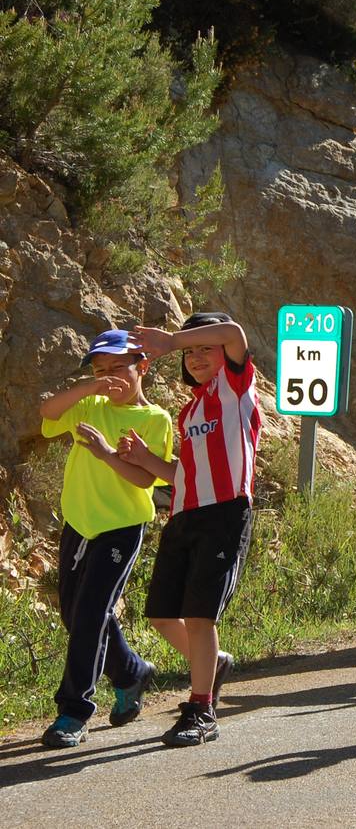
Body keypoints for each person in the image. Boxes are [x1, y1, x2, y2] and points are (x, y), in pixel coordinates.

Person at [119, 313, 258, 747]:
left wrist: (173, 339)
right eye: (190, 353)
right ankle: (213, 664)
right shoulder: (192, 408)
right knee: (162, 613)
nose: (195, 357)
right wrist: (145, 461)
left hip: (225, 512)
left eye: (204, 348)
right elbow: (185, 472)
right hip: (184, 514)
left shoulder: (236, 387)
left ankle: (202, 709)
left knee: (200, 614)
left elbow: (233, 334)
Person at [36, 330, 173, 749]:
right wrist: (90, 386)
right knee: (74, 615)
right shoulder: (90, 404)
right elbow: (46, 415)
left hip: (121, 526)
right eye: (100, 369)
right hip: (79, 523)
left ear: (142, 367)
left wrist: (105, 453)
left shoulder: (155, 420)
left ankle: (74, 711)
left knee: (92, 612)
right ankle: (131, 672)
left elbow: (145, 479)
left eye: (118, 368)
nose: (109, 377)